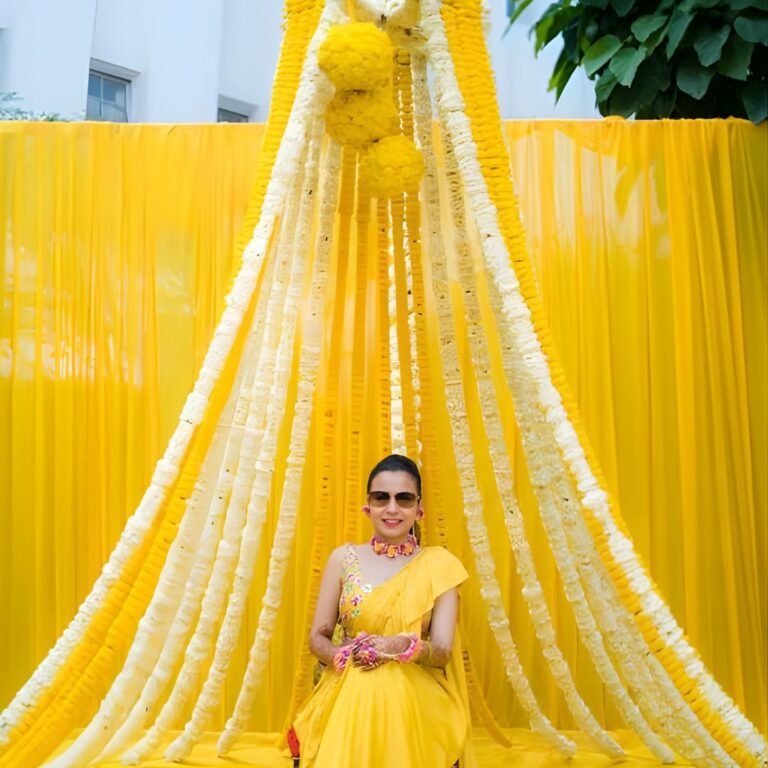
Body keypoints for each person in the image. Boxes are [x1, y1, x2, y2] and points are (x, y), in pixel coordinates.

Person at [291, 454, 474, 767]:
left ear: (419, 509)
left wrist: (397, 647)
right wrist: (343, 653)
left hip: (415, 691)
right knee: (365, 680)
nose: (392, 508)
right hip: (348, 681)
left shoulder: (439, 565)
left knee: (386, 680)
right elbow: (317, 637)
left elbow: (442, 650)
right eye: (381, 498)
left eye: (403, 499)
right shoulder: (343, 559)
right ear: (368, 506)